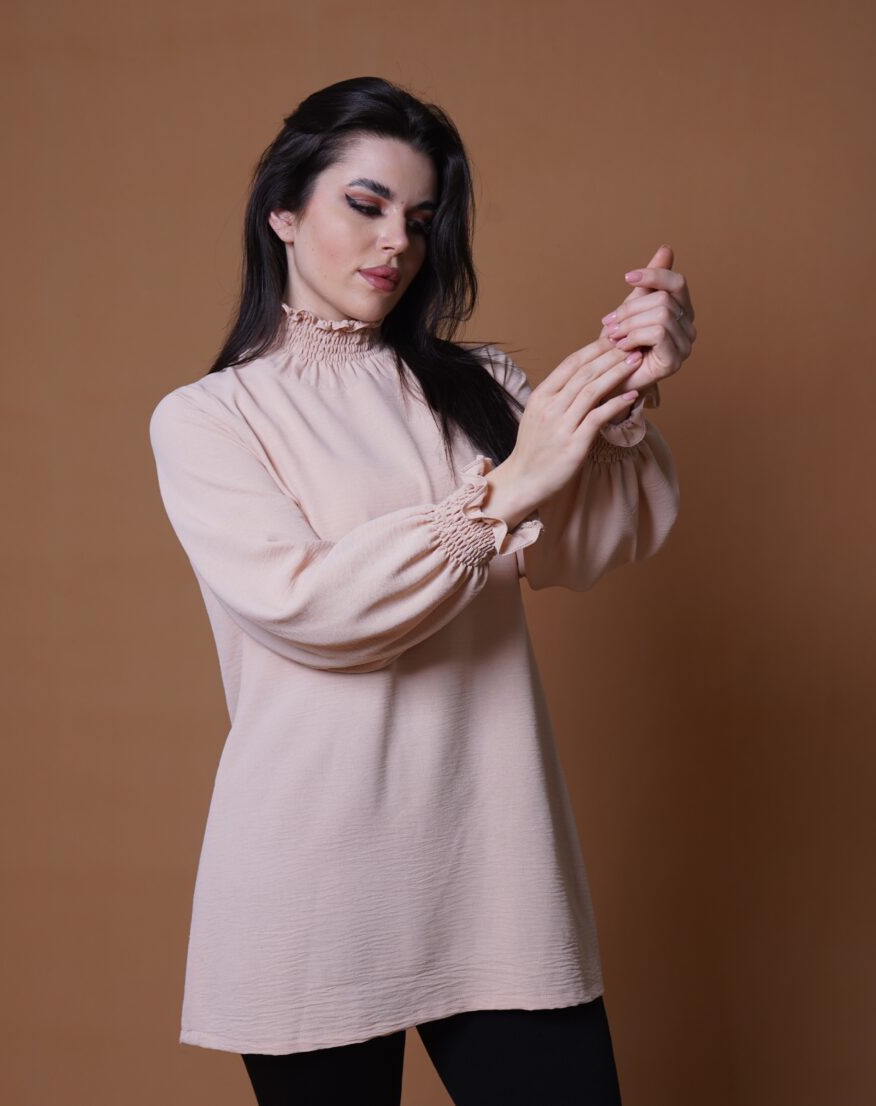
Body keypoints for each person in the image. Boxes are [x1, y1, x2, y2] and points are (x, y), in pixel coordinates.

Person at [148, 75, 695, 1106]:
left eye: (420, 216)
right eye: (364, 204)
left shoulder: (478, 387)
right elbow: (315, 610)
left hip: (495, 864)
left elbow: (593, 537)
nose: (395, 241)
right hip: (309, 880)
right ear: (282, 211)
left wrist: (623, 390)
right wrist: (505, 490)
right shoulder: (208, 418)